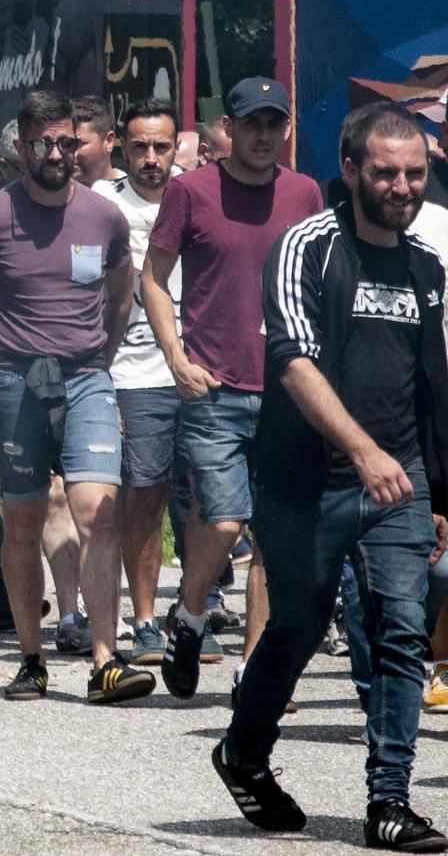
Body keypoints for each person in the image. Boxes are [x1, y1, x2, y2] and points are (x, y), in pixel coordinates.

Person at [210, 103, 448, 850]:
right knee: (299, 625)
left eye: (415, 173)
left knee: (401, 629)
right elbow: (292, 361)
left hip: (400, 479)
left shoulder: (426, 266)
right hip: (305, 479)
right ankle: (243, 754)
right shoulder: (305, 246)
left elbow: (429, 382)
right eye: (386, 172)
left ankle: (389, 801)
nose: (403, 186)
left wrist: (436, 486)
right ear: (350, 169)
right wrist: (361, 451)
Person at [0, 88, 154, 704]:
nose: (59, 152)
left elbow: (121, 292)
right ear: (22, 147)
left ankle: (106, 660)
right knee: (25, 520)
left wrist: (102, 362)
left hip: (85, 378)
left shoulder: (103, 215)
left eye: (68, 140)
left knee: (98, 512)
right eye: (45, 143)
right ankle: (30, 660)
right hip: (13, 382)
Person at [143, 76, 324, 701]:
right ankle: (189, 618)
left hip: (287, 390)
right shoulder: (190, 192)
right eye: (252, 124)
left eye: (275, 124)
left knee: (274, 534)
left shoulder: (305, 193)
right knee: (222, 522)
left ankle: (254, 669)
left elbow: (317, 288)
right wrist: (175, 355)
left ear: (287, 130)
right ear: (228, 130)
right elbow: (153, 278)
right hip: (212, 385)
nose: (264, 135)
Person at [91, 99, 184, 666]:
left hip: (200, 370)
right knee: (143, 500)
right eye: (140, 148)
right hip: (132, 374)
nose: (151, 159)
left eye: (162, 147)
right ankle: (145, 620)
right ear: (121, 149)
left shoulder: (197, 197)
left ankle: (195, 605)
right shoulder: (102, 205)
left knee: (208, 507)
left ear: (178, 148)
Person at [72, 95, 119, 187]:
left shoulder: (131, 196)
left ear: (108, 141)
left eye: (80, 144)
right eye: (66, 143)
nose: (72, 153)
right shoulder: (54, 196)